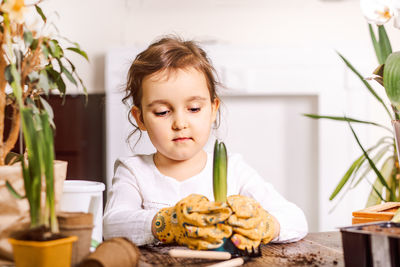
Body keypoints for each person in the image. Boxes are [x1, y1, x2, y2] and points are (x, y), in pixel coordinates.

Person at [103, 36, 308, 250]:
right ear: (140, 118)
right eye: (162, 112)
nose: (180, 123)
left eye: (193, 109)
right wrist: (169, 223)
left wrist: (265, 225)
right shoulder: (134, 172)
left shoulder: (234, 170)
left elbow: (296, 219)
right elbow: (112, 225)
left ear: (213, 109)